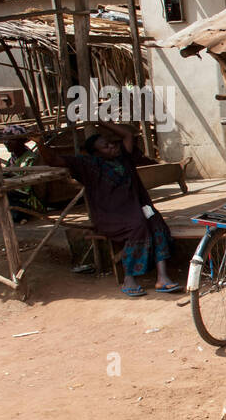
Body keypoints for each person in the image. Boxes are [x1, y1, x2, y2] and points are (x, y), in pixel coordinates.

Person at [36, 122, 178, 297]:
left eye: (111, 143)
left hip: (136, 209)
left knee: (156, 223)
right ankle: (129, 278)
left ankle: (162, 277)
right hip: (110, 216)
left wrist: (101, 122)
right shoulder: (87, 165)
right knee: (138, 225)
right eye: (106, 146)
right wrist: (39, 143)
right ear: (96, 153)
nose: (112, 147)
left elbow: (127, 135)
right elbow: (53, 160)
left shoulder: (123, 157)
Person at [1, 124, 46, 221]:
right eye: (5, 140)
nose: (6, 142)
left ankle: (20, 215)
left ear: (21, 141)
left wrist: (10, 177)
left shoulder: (30, 159)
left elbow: (26, 188)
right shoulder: (12, 160)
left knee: (3, 195)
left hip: (30, 199)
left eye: (11, 140)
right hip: (17, 193)